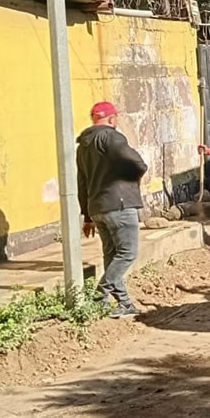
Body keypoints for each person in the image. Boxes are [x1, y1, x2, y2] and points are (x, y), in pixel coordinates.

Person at [77, 101, 148, 318]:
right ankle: (99, 298)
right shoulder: (113, 137)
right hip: (119, 204)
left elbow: (82, 182)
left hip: (97, 207)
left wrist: (87, 216)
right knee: (127, 253)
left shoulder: (83, 146)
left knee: (112, 255)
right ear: (110, 118)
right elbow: (138, 164)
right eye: (115, 117)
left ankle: (124, 304)